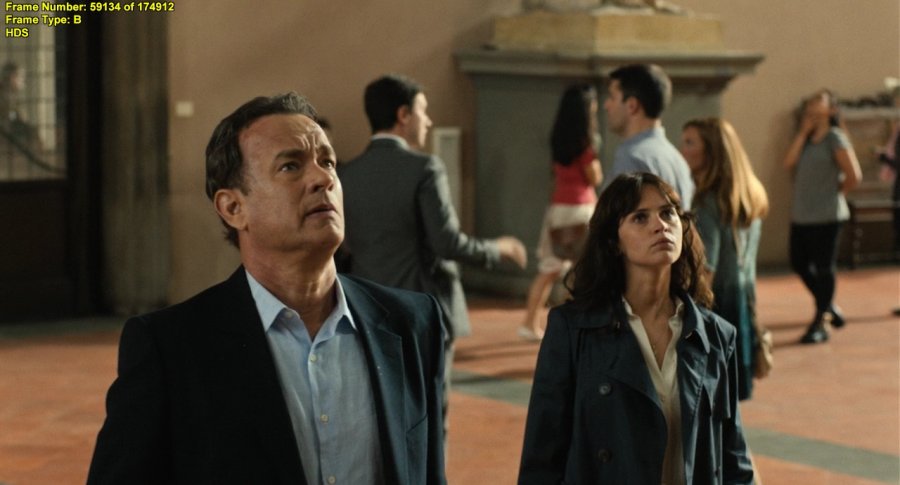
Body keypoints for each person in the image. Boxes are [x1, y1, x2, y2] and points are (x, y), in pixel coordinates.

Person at [87, 93, 447, 485]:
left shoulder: (411, 323)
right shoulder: (171, 349)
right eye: (291, 166)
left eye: (327, 162)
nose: (323, 178)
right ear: (233, 208)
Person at [518, 172, 753, 485]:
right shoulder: (574, 329)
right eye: (640, 217)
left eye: (667, 213)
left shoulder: (715, 336)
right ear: (614, 241)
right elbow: (542, 457)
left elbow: (733, 460)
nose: (660, 225)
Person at [339, 74, 527, 440]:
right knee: (429, 420)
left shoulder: (347, 174)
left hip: (367, 309)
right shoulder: (424, 168)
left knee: (382, 416)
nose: (428, 120)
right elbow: (447, 243)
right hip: (421, 310)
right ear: (403, 115)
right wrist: (498, 249)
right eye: (423, 111)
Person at [680, 117, 769, 400]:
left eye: (690, 143)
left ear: (711, 150)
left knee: (714, 399)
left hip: (717, 309)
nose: (683, 150)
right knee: (732, 403)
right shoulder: (747, 196)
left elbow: (706, 269)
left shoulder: (708, 202)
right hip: (743, 305)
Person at [518, 83, 602, 341]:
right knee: (582, 271)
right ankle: (572, 325)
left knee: (548, 269)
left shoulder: (558, 140)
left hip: (557, 209)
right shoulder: (585, 145)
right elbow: (595, 177)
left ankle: (529, 323)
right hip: (581, 209)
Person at [782, 89, 862, 344]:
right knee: (798, 263)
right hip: (802, 213)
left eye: (819, 103)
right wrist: (803, 132)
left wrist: (835, 193)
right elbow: (788, 163)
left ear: (831, 110)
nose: (813, 107)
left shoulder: (835, 138)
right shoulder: (805, 139)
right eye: (811, 104)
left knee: (824, 268)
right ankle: (827, 304)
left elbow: (854, 176)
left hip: (827, 216)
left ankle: (821, 322)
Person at [602, 63, 695, 209]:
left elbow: (617, 219)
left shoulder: (632, 158)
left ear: (632, 105)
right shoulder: (677, 159)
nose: (606, 105)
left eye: (612, 97)